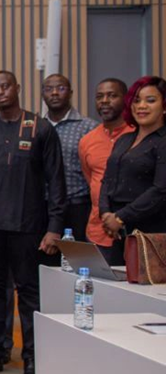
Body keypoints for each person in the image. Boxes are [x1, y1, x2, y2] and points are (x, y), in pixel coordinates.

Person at [0, 71, 66, 374]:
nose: (0, 92)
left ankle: (33, 355)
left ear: (17, 89)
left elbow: (55, 183)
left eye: (5, 86)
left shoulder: (40, 128)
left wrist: (54, 226)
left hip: (29, 225)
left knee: (30, 292)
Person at [99, 76, 166, 251]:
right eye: (136, 101)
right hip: (116, 228)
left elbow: (161, 189)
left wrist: (120, 217)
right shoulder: (124, 139)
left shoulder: (163, 141)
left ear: (164, 106)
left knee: (142, 278)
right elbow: (106, 180)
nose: (141, 106)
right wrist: (106, 214)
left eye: (150, 100)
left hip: (152, 230)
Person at [79, 79, 133, 265]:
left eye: (112, 95)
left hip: (134, 230)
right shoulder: (87, 140)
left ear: (126, 99)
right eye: (100, 96)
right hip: (98, 230)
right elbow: (92, 180)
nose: (104, 101)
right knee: (99, 290)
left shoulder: (139, 135)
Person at [42, 74, 98, 247]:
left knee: (77, 264)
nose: (55, 93)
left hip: (77, 208)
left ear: (71, 92)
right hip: (42, 208)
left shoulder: (89, 127)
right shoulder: (36, 126)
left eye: (61, 88)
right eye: (49, 89)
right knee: (45, 267)